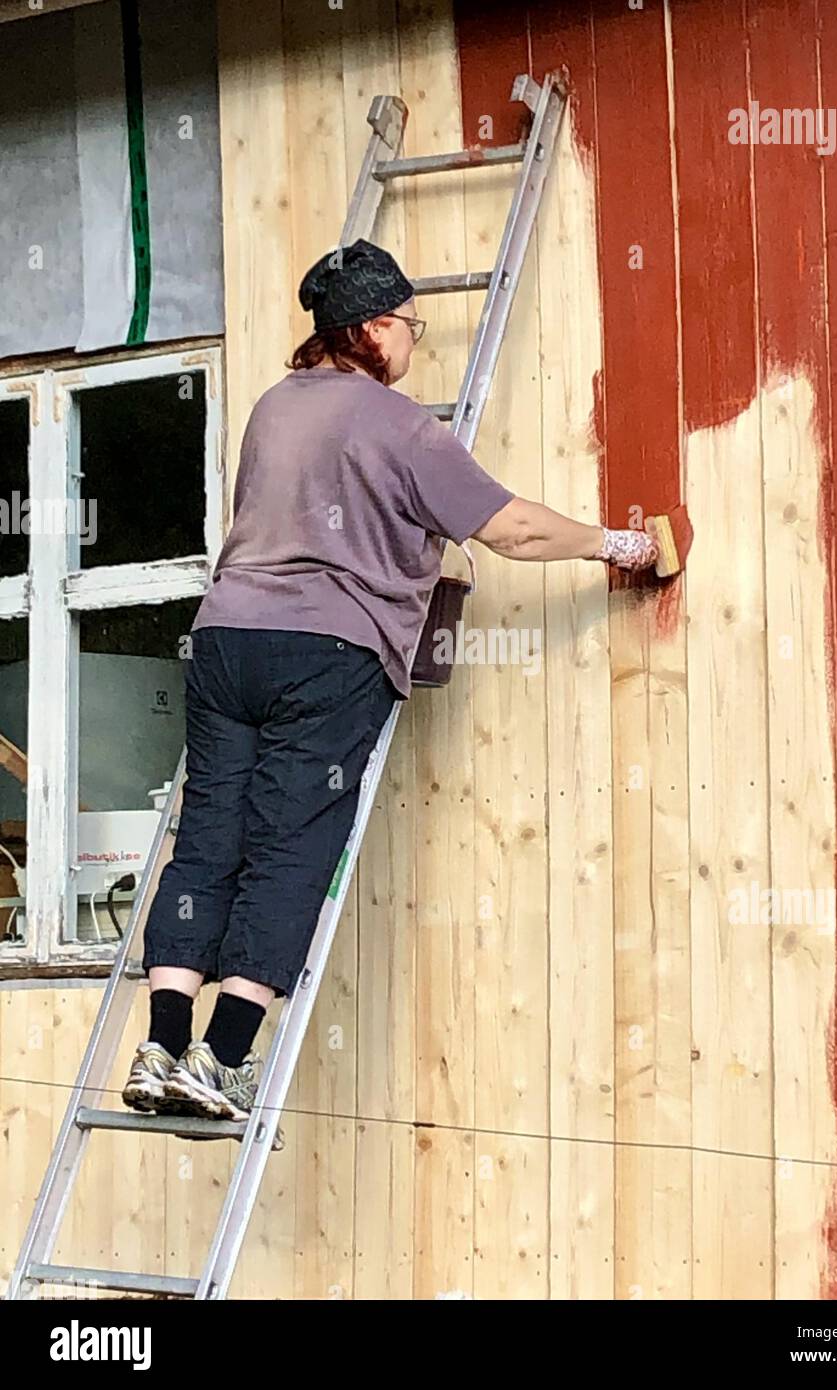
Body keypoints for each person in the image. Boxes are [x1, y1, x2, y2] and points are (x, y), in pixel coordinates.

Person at [121, 238, 691, 1146]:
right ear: (375, 328)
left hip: (226, 641)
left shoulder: (273, 408)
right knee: (289, 850)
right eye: (410, 327)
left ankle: (159, 1047)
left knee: (209, 838)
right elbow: (513, 529)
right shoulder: (400, 427)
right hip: (325, 654)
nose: (414, 343)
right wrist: (620, 545)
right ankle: (222, 1060)